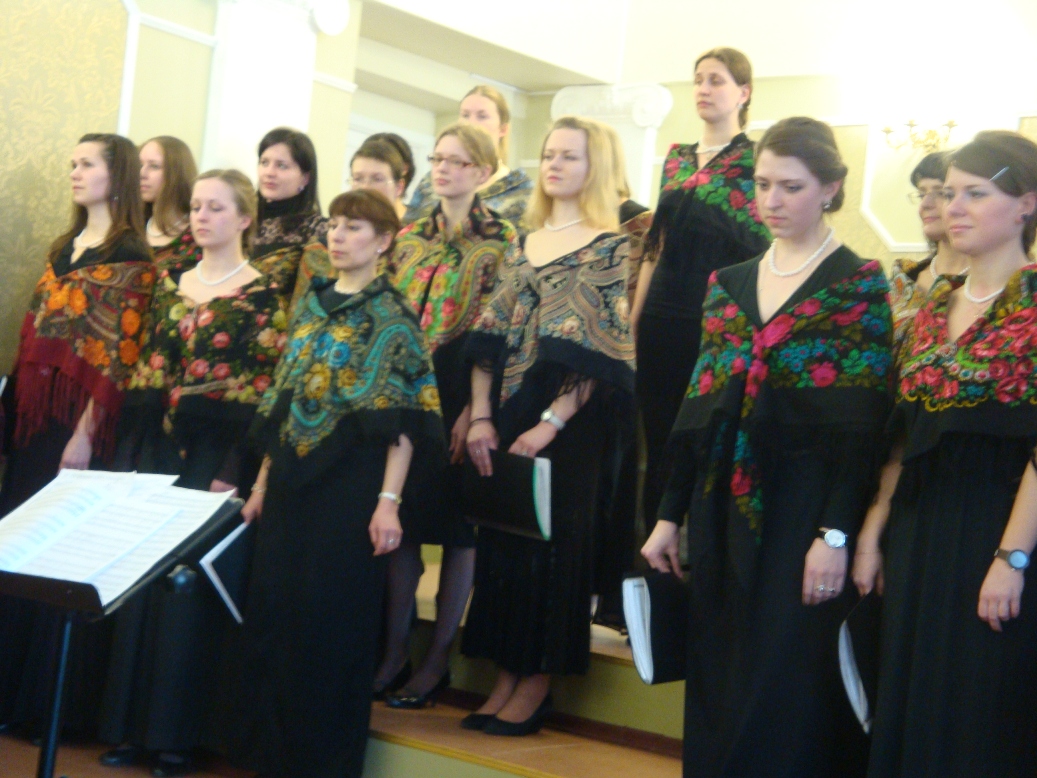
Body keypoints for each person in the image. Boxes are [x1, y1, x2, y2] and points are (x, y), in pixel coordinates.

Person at [642, 117, 893, 777]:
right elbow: (697, 411)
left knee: (785, 679)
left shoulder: (857, 285)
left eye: (791, 186)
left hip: (803, 506)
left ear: (830, 189)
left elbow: (860, 432)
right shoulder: (727, 284)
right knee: (718, 672)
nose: (772, 200)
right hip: (720, 500)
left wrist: (833, 535)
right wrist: (667, 517)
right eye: (761, 185)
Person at [226, 189, 443, 778]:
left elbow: (405, 421)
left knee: (331, 622)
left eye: (354, 227)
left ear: (384, 240)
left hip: (352, 488)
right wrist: (262, 485)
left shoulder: (395, 317)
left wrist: (388, 504)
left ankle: (321, 762)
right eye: (335, 226)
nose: (339, 237)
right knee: (276, 613)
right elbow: (283, 400)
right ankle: (266, 755)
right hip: (291, 482)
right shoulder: (311, 304)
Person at [854, 131, 1037, 778]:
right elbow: (902, 434)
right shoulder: (931, 304)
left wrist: (1011, 558)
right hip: (917, 528)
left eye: (974, 194)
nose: (952, 207)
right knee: (909, 695)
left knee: (980, 707)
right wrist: (873, 530)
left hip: (999, 528)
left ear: (1026, 205)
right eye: (949, 193)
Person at [99, 169, 287, 777]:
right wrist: (139, 455)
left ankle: (176, 738)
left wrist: (232, 469)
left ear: (245, 219)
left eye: (216, 208)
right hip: (161, 450)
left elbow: (263, 390)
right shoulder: (173, 282)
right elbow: (149, 369)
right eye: (198, 207)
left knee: (189, 593)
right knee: (144, 584)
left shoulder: (263, 295)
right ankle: (130, 728)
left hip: (218, 458)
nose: (202, 217)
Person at [461, 116, 635, 735]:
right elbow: (486, 337)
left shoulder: (611, 246)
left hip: (569, 427)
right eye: (549, 153)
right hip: (507, 414)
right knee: (506, 547)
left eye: (570, 156)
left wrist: (550, 424)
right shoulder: (521, 242)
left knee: (554, 550)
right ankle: (506, 675)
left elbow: (603, 353)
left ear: (596, 167)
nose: (555, 164)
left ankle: (536, 685)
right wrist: (481, 416)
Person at [0, 133, 152, 734]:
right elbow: (33, 333)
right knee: (17, 547)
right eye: (73, 163)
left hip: (75, 427)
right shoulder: (63, 247)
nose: (75, 172)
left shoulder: (133, 257)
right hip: (33, 417)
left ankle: (42, 706)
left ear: (116, 177)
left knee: (55, 559)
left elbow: (118, 355)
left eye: (87, 164)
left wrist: (85, 433)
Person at [376, 123, 519, 708]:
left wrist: (472, 410)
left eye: (457, 161)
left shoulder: (504, 239)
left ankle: (438, 659)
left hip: (464, 387)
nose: (443, 169)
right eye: (437, 158)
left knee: (459, 531)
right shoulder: (409, 236)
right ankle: (394, 651)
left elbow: (499, 329)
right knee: (403, 525)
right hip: (409, 387)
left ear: (482, 171)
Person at [636, 47, 770, 535]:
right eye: (698, 80)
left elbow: (761, 248)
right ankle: (654, 552)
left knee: (706, 436)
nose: (703, 89)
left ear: (743, 92)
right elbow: (656, 245)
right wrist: (633, 319)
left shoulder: (755, 160)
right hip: (661, 315)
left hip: (720, 320)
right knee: (659, 437)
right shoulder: (676, 158)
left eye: (716, 80)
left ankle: (701, 550)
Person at [405, 85, 532, 232]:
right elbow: (408, 230)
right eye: (465, 115)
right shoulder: (431, 182)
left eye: (482, 116)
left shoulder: (519, 190)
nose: (470, 123)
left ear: (503, 129)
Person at [888, 151, 970, 358]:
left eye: (941, 193)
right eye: (921, 194)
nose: (925, 204)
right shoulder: (905, 279)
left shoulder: (986, 284)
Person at [252, 127, 327, 302]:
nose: (269, 172)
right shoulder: (241, 221)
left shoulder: (318, 230)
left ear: (305, 178)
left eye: (281, 166)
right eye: (264, 162)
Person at [139, 136, 201, 273]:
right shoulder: (130, 227)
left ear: (177, 173)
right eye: (139, 165)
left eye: (154, 166)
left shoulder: (199, 233)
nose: (142, 173)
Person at [350, 136, 413, 218]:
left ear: (399, 187)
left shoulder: (419, 224)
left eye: (377, 179)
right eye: (358, 179)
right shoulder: (341, 222)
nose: (365, 187)